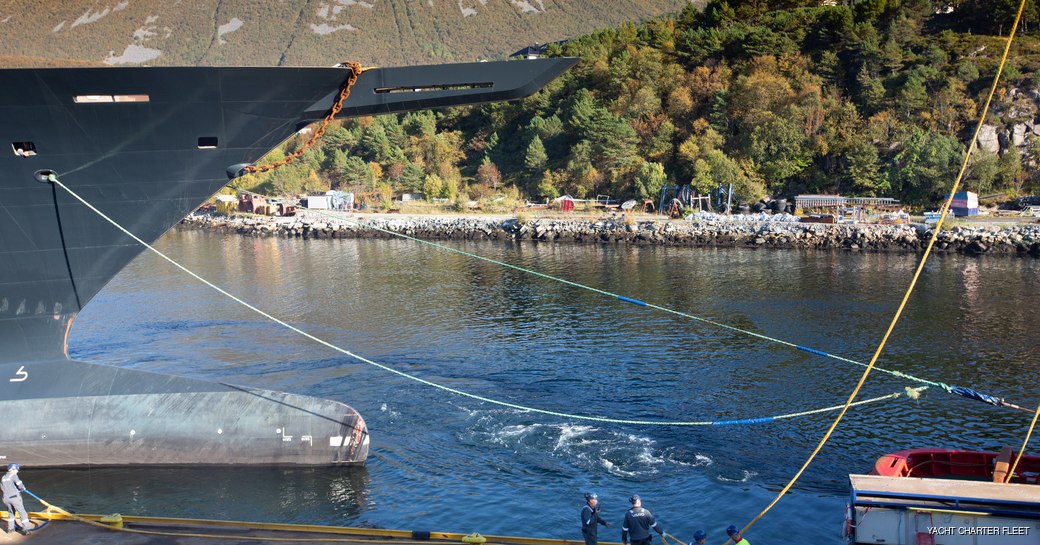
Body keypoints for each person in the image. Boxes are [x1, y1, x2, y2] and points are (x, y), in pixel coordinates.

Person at [2, 464, 30, 535]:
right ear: (13, 469)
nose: (17, 471)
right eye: (17, 470)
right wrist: (22, 488)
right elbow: (20, 485)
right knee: (22, 513)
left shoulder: (3, 477)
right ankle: (26, 529)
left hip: (5, 498)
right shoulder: (14, 476)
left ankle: (11, 528)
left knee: (11, 512)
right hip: (14, 497)